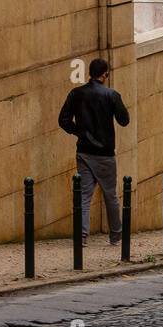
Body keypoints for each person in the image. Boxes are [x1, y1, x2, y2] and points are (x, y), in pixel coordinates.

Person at [58, 58, 130, 246]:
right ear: (105, 74)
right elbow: (124, 120)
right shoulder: (111, 95)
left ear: (90, 73)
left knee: (83, 195)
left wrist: (79, 132)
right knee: (110, 195)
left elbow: (63, 120)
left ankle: (81, 236)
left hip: (84, 152)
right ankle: (116, 235)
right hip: (105, 154)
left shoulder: (76, 93)